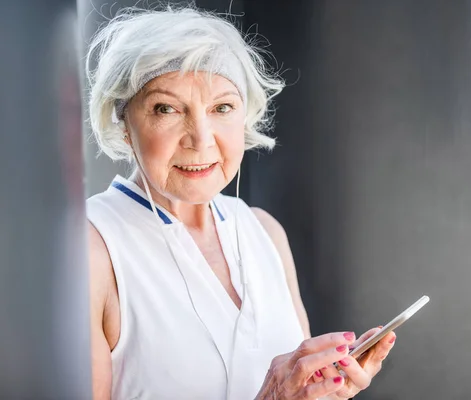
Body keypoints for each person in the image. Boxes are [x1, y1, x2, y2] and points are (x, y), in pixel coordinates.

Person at [85, 6, 396, 399]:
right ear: (124, 123)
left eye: (222, 108)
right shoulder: (90, 247)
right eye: (166, 109)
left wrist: (323, 392)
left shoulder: (264, 231)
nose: (201, 139)